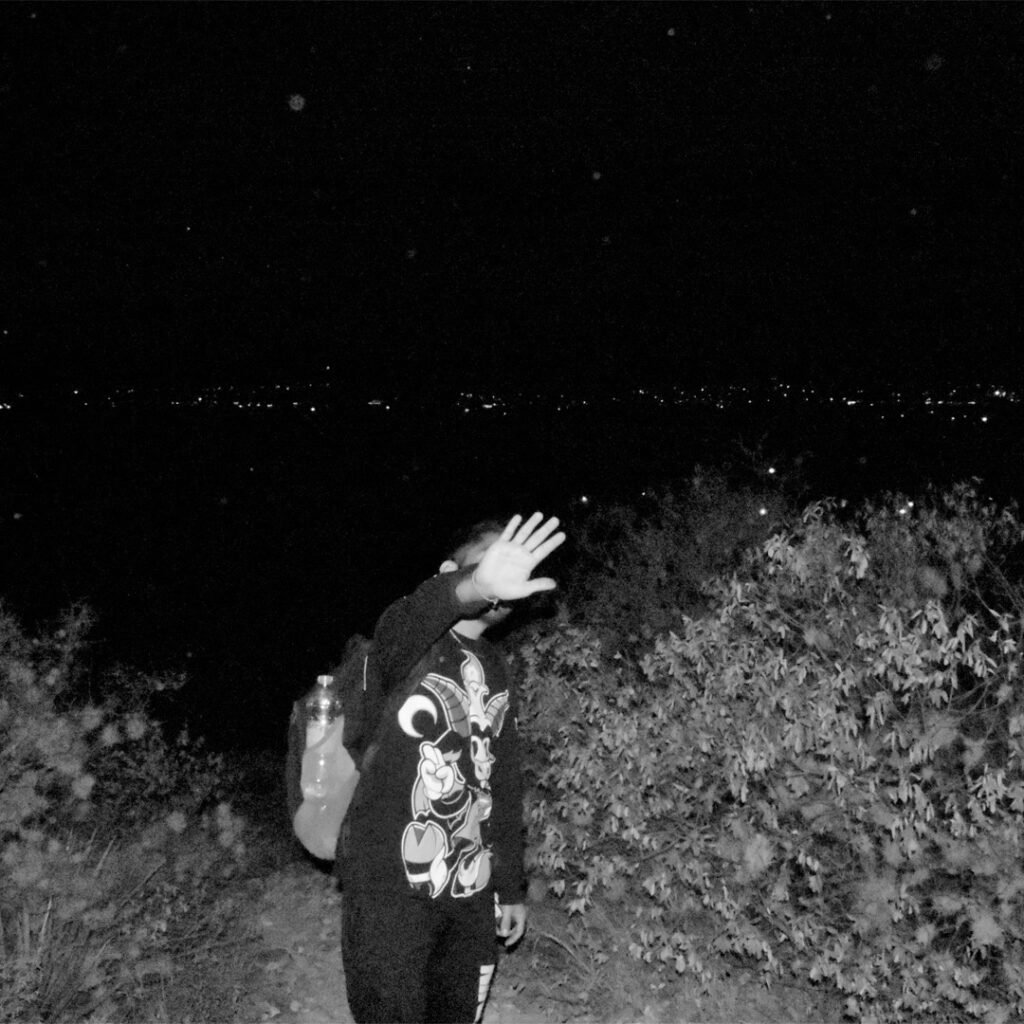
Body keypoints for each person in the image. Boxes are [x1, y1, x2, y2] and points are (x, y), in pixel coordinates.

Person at [338, 511, 566, 1024]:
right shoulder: (406, 640)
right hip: (388, 891)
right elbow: (413, 614)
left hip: (470, 895)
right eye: (488, 561)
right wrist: (475, 586)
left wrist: (509, 888)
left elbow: (502, 785)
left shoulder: (496, 666)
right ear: (449, 572)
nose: (505, 574)